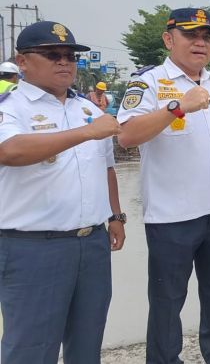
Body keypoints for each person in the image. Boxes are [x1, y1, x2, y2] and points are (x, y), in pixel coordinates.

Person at [116, 8, 210, 364]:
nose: (201, 43)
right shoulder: (149, 83)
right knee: (167, 300)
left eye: (207, 36)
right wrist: (177, 107)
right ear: (169, 39)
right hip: (172, 215)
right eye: (191, 35)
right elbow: (126, 135)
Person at [0, 21, 125, 363]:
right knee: (31, 348)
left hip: (91, 244)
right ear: (22, 61)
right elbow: (9, 151)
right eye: (52, 55)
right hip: (34, 247)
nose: (64, 62)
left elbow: (106, 167)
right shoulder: (10, 107)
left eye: (70, 56)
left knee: (87, 342)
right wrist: (85, 133)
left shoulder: (87, 109)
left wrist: (115, 215)